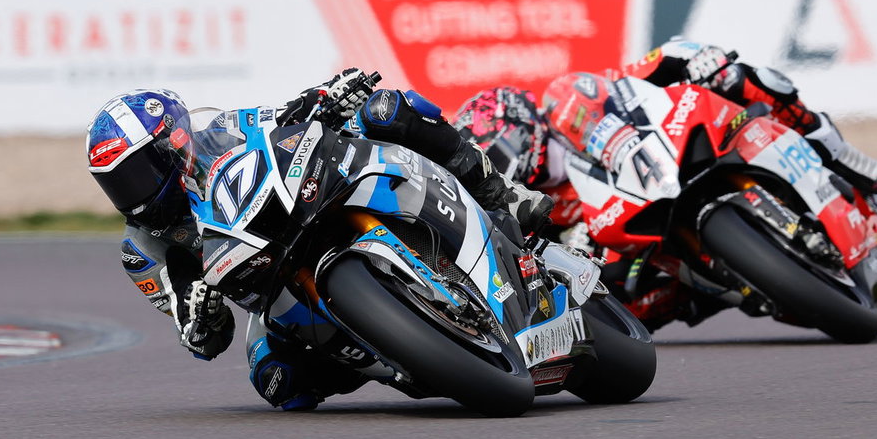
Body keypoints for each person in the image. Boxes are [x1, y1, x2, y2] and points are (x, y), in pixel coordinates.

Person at [86, 69, 552, 410]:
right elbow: (205, 339)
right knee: (275, 381)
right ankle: (401, 350)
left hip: (301, 209)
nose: (132, 196)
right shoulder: (141, 250)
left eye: (136, 173)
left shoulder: (223, 131)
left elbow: (287, 117)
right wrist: (200, 319)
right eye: (116, 184)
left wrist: (329, 94)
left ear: (175, 140)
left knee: (386, 110)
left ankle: (503, 196)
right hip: (270, 289)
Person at [454, 38, 877, 328]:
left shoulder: (576, 102)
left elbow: (652, 64)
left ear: (518, 123)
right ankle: (725, 288)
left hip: (677, 151)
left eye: (498, 153)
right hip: (645, 239)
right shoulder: (537, 205)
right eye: (489, 163)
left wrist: (696, 59)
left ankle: (855, 162)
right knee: (612, 302)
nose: (501, 168)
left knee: (745, 80)